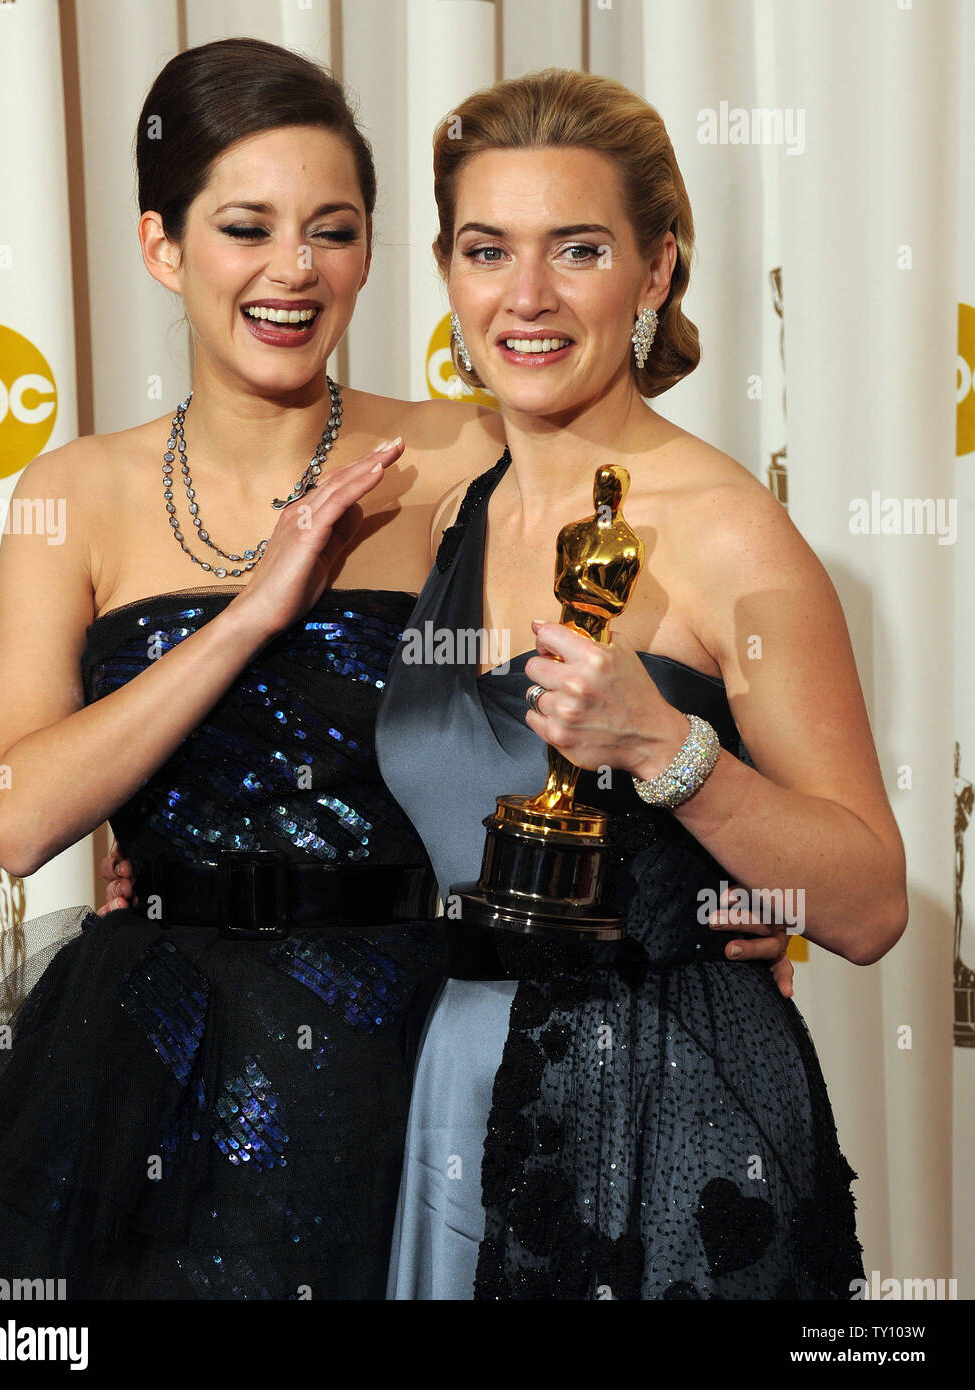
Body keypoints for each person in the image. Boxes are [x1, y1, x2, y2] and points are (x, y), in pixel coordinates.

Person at [0, 36, 505, 1300]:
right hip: (156, 1050)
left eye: (334, 229)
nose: (294, 271)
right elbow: (20, 815)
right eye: (246, 227)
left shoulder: (467, 456)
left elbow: (587, 718)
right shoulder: (72, 494)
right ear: (162, 246)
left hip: (411, 1036)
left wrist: (702, 906)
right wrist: (255, 610)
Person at [377, 68, 907, 1300]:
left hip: (669, 1120)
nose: (526, 296)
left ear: (657, 271)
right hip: (456, 1082)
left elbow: (871, 902)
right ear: (449, 274)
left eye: (578, 249)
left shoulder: (733, 535)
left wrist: (671, 753)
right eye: (485, 248)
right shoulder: (449, 506)